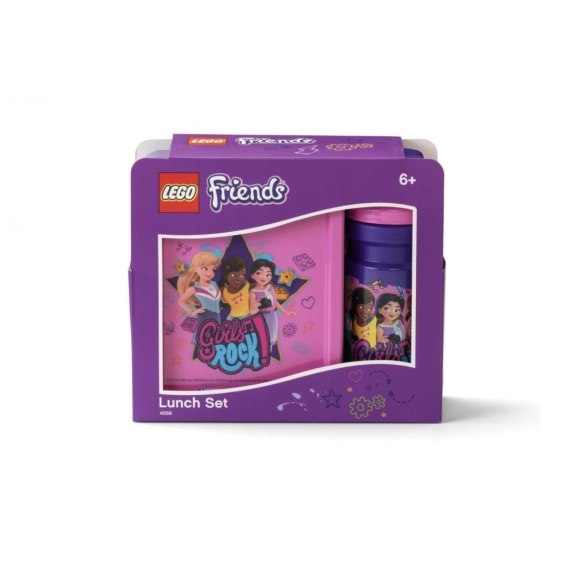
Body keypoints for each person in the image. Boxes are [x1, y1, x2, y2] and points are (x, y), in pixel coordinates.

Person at [249, 259, 295, 347]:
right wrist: (260, 305)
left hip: (272, 316)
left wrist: (285, 312)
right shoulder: (253, 292)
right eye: (259, 273)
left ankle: (268, 351)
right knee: (261, 338)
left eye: (268, 274)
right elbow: (251, 311)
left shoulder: (270, 287)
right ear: (252, 275)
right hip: (260, 317)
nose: (264, 277)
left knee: (271, 337)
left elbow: (275, 302)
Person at [177, 252, 222, 329]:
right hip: (205, 316)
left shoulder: (214, 284)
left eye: (213, 270)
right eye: (204, 268)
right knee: (204, 334)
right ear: (195, 269)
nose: (209, 273)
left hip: (217, 317)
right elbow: (181, 301)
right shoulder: (194, 288)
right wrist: (192, 312)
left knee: (216, 334)